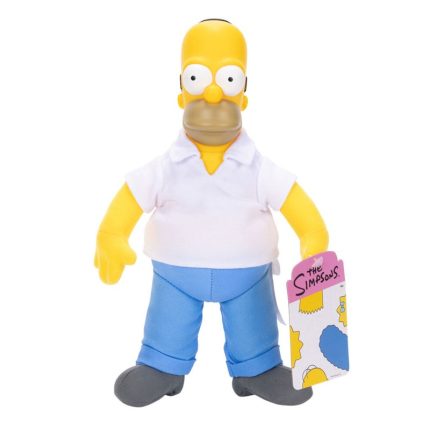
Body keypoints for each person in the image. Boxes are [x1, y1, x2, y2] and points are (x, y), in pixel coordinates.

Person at [94, 19, 329, 407]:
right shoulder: (166, 168)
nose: (215, 93)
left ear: (244, 94)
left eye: (229, 80)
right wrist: (111, 237)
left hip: (247, 276)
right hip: (176, 275)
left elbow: (299, 207)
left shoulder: (259, 169)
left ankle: (257, 368)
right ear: (181, 90)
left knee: (253, 323)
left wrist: (313, 242)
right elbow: (130, 199)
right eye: (198, 79)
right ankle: (162, 365)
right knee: (167, 321)